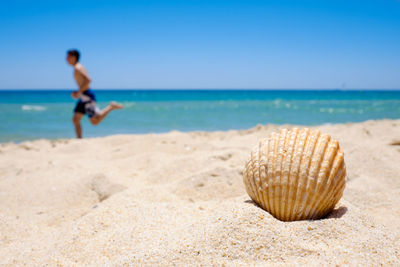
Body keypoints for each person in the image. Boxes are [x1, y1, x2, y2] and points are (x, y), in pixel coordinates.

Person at [66, 49, 123, 138]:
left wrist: (78, 92)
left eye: (68, 56)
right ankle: (79, 139)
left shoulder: (78, 67)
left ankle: (111, 107)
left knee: (95, 121)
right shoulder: (76, 67)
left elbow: (88, 80)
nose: (66, 59)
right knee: (75, 119)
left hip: (87, 95)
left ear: (74, 57)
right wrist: (78, 93)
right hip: (83, 96)